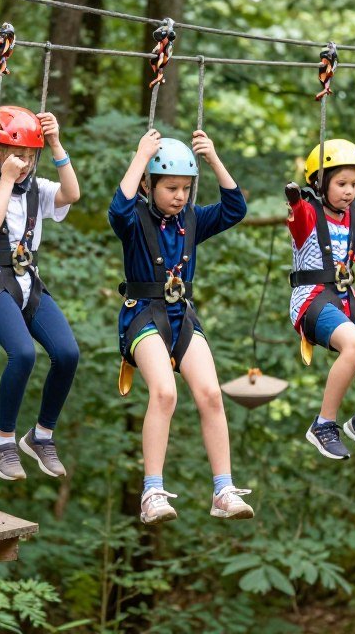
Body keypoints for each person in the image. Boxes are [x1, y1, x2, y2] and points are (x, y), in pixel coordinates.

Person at [109, 128, 253, 525]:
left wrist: (213, 159)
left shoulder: (191, 218)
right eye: (171, 188)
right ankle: (151, 490)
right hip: (142, 313)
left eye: (186, 189)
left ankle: (223, 488)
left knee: (210, 392)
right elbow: (116, 210)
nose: (180, 197)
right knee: (166, 392)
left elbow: (235, 209)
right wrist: (141, 156)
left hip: (181, 314)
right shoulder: (135, 221)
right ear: (148, 185)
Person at [0, 106, 80, 480]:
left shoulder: (36, 189)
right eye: (17, 155)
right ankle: (4, 441)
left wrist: (57, 144)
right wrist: (8, 180)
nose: (25, 164)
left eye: (31, 156)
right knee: (24, 354)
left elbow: (72, 193)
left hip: (27, 281)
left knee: (67, 353)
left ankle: (41, 436)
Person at [285, 139, 355, 463]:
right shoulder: (307, 213)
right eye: (340, 183)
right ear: (321, 183)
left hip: (345, 297)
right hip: (311, 299)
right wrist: (294, 198)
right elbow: (297, 214)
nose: (348, 191)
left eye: (354, 184)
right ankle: (323, 424)